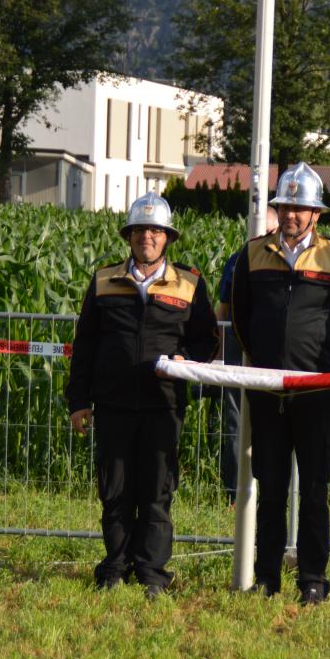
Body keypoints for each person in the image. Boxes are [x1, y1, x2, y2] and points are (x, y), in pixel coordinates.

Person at [65, 193, 218, 598]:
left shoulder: (190, 283)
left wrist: (188, 359)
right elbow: (85, 345)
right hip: (112, 404)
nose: (146, 237)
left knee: (156, 492)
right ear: (128, 236)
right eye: (139, 230)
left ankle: (152, 573)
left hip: (163, 405)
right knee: (115, 491)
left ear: (168, 237)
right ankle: (114, 569)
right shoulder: (103, 280)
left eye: (155, 230)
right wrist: (78, 401)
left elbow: (207, 340)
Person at [231, 162, 330, 605]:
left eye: (299, 208)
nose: (291, 214)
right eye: (285, 206)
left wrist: (329, 374)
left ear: (315, 214)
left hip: (316, 394)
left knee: (315, 491)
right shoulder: (253, 253)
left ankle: (312, 580)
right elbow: (242, 316)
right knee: (270, 489)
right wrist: (263, 364)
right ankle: (267, 578)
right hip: (269, 392)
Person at [215, 206, 279, 503]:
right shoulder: (236, 261)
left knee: (272, 420)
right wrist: (216, 351)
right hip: (236, 347)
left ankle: (271, 489)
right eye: (256, 233)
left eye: (267, 232)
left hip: (273, 351)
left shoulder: (285, 264)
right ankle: (235, 493)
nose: (261, 238)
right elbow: (223, 309)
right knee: (235, 420)